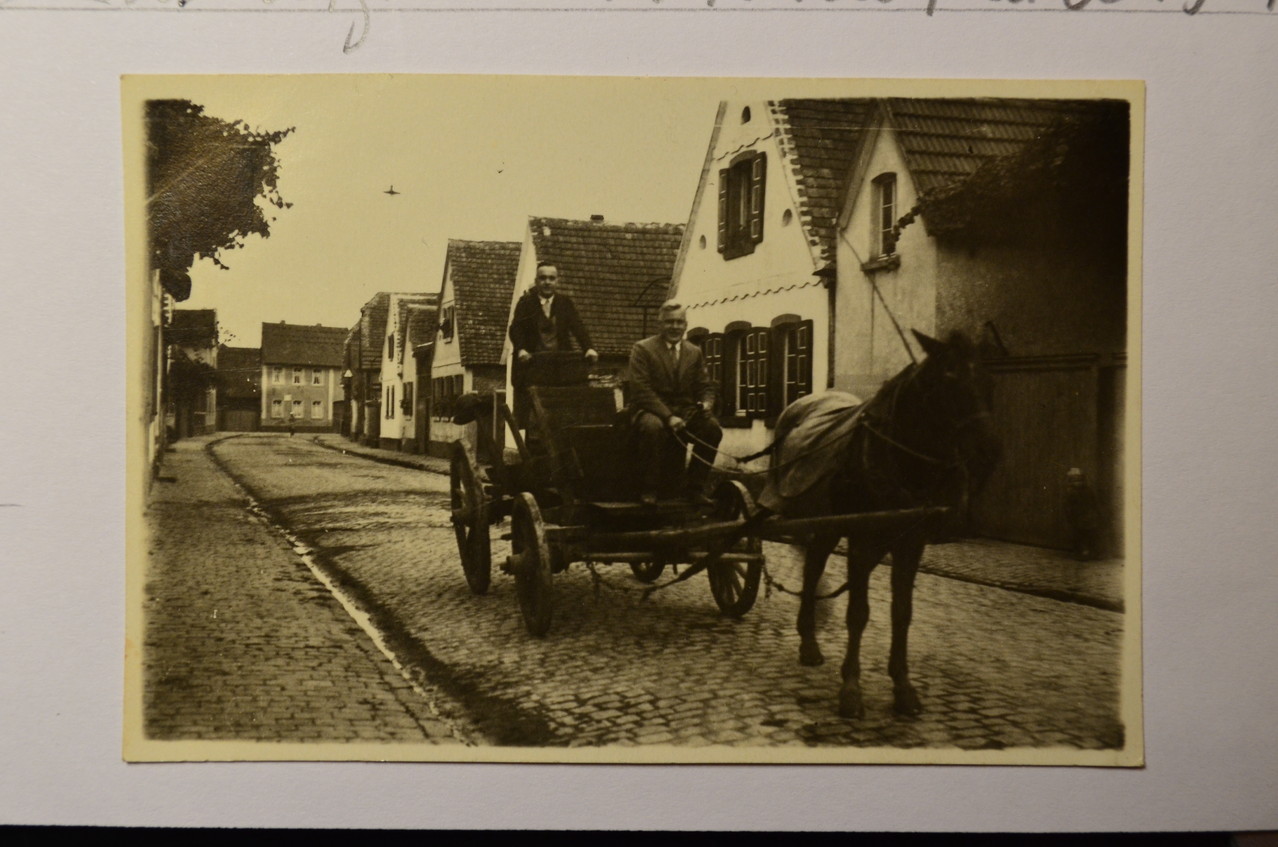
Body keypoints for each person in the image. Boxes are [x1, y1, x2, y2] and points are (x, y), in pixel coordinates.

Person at [628, 300, 721, 507]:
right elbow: (641, 389)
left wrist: (707, 403)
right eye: (669, 322)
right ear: (660, 324)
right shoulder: (642, 349)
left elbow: (705, 385)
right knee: (653, 428)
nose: (675, 327)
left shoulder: (694, 352)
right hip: (650, 409)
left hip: (685, 412)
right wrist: (668, 416)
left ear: (686, 325)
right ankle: (649, 488)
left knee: (712, 429)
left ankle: (694, 488)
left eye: (679, 322)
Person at [508, 261, 598, 426]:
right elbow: (516, 329)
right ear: (536, 281)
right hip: (532, 366)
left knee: (561, 410)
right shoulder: (525, 303)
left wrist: (589, 348)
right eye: (543, 278)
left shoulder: (565, 303)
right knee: (530, 414)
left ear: (557, 281)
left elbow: (578, 327)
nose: (547, 282)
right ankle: (530, 444)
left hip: (557, 368)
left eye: (551, 278)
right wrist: (521, 349)